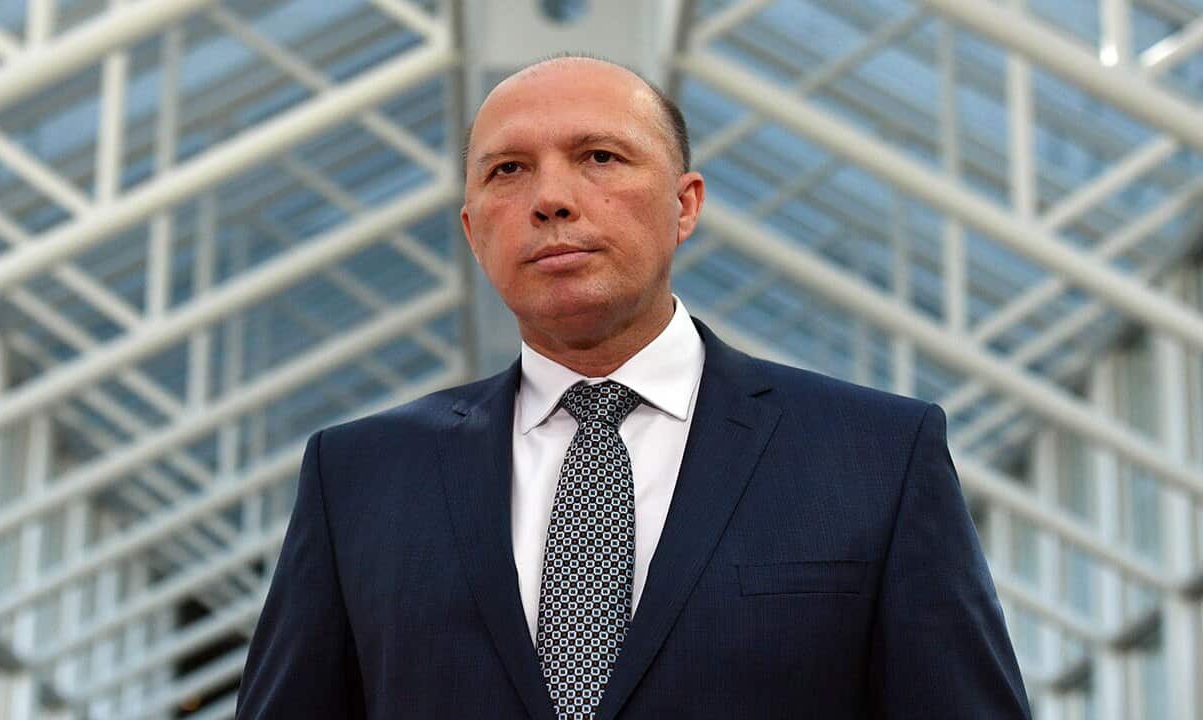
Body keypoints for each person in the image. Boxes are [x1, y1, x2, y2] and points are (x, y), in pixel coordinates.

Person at [236, 56, 1031, 719]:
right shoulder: (360, 478)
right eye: (509, 170)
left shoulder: (875, 459)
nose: (550, 197)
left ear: (684, 206)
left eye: (600, 158)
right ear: (475, 233)